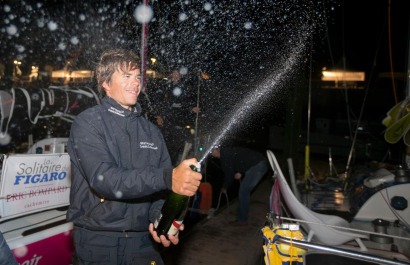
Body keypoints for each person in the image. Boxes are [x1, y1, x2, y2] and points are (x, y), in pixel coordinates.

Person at [66, 49, 202, 265]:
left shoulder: (151, 131)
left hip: (142, 242)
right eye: (127, 76)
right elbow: (105, 180)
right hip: (99, 240)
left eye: (138, 77)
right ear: (106, 83)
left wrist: (162, 220)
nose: (135, 83)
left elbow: (161, 191)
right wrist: (167, 177)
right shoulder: (88, 123)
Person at [152, 70, 200, 166]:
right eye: (174, 74)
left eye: (177, 74)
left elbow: (185, 101)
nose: (175, 76)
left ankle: (171, 165)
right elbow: (158, 100)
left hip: (176, 120)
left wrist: (191, 108)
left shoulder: (183, 87)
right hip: (165, 118)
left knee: (174, 143)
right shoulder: (163, 85)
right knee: (162, 142)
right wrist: (158, 115)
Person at [211, 146, 269, 225]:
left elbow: (229, 174)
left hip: (257, 166)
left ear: (216, 150)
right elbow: (242, 160)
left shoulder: (224, 156)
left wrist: (225, 187)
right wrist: (240, 172)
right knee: (243, 191)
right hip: (257, 164)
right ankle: (240, 212)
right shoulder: (227, 151)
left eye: (212, 153)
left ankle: (242, 220)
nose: (212, 155)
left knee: (243, 192)